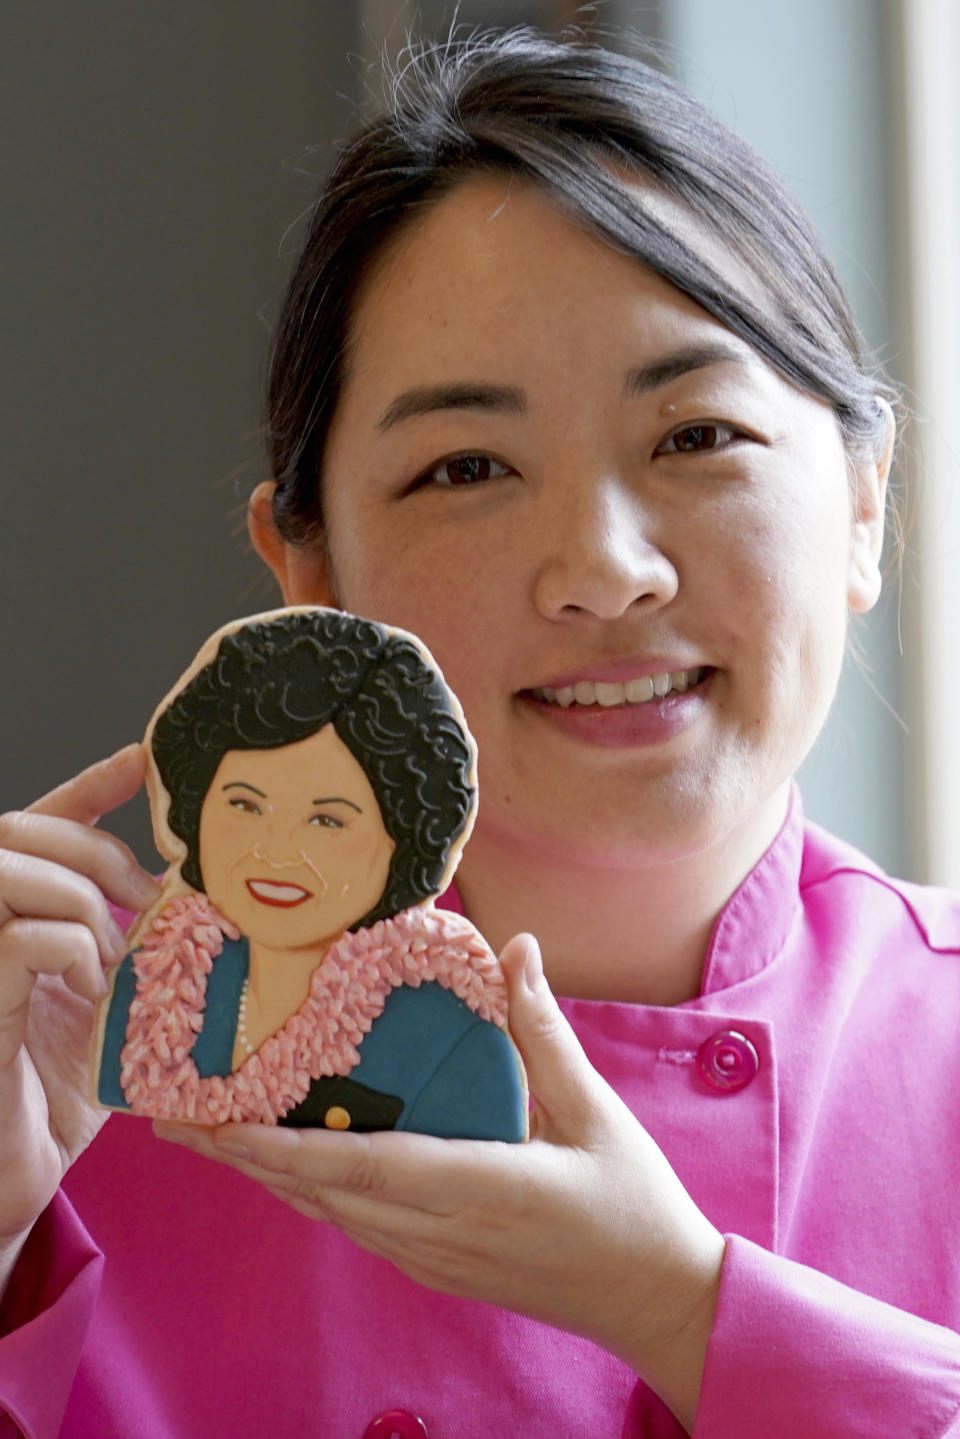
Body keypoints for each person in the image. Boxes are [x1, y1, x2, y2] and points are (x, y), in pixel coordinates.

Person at [1, 26, 959, 1439]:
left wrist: (690, 1309)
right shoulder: (94, 1098)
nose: (603, 566)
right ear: (310, 573)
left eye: (696, 436)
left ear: (867, 500)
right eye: (467, 466)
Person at [94, 606, 526, 1138]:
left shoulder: (454, 1042)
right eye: (245, 806)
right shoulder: (154, 992)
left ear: (405, 838)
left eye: (326, 820)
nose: (276, 854)